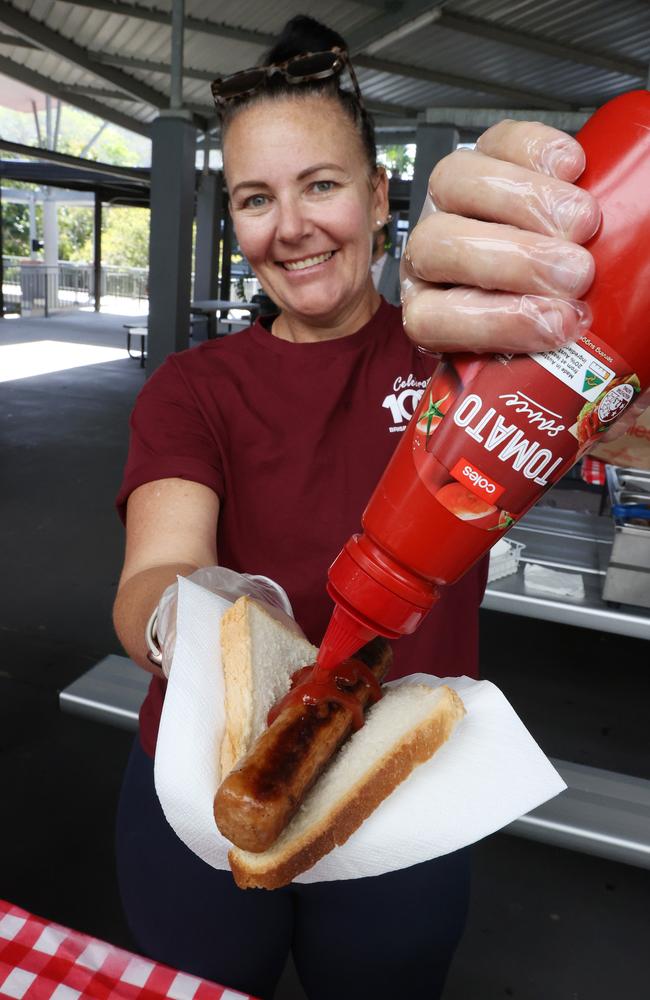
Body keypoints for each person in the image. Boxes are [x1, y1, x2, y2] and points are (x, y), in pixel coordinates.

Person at [112, 15, 599, 1000]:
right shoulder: (192, 386)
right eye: (255, 198)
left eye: (320, 184)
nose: (288, 227)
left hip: (397, 785)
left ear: (380, 197)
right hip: (204, 780)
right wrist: (185, 612)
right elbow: (152, 573)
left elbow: (596, 383)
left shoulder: (469, 353)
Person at [370, 222, 401, 306]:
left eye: (369, 236)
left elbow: (407, 303)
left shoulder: (398, 268)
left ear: (380, 239)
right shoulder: (361, 267)